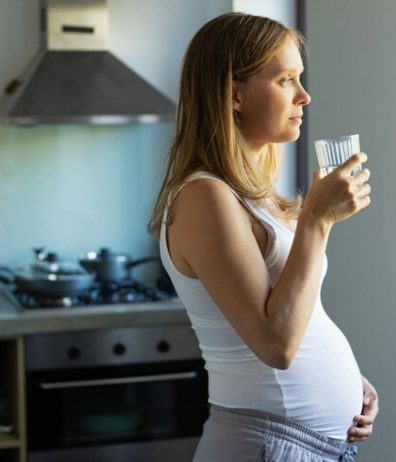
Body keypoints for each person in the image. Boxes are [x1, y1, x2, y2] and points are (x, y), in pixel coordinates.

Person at [148, 12, 378, 462]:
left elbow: (301, 314)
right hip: (267, 444)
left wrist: (354, 385)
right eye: (286, 80)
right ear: (235, 94)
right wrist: (317, 221)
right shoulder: (204, 196)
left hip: (305, 443)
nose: (304, 96)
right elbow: (275, 345)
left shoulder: (251, 195)